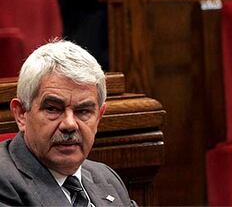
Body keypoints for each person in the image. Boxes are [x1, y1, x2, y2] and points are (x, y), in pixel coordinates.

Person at [0, 40, 136, 206]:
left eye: (83, 111)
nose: (70, 124)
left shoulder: (107, 178)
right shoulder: (5, 180)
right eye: (52, 109)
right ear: (21, 114)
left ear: (99, 117)